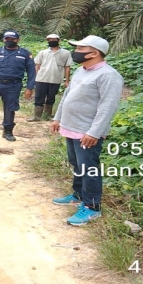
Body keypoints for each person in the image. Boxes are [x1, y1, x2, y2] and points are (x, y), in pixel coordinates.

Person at [50, 35, 124, 226]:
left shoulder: (108, 75)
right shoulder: (82, 71)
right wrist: (58, 118)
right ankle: (77, 194)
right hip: (71, 127)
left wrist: (94, 132)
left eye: (81, 49)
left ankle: (92, 206)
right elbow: (67, 95)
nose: (76, 53)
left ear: (94, 53)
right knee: (76, 163)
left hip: (87, 132)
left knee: (89, 168)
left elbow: (107, 107)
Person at [26, 33, 72, 122]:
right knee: (39, 97)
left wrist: (67, 81)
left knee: (51, 98)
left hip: (56, 79)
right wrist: (35, 77)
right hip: (41, 78)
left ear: (59, 41)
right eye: (49, 40)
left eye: (54, 40)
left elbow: (67, 67)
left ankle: (48, 115)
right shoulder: (43, 52)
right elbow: (37, 65)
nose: (51, 41)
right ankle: (36, 116)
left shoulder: (66, 53)